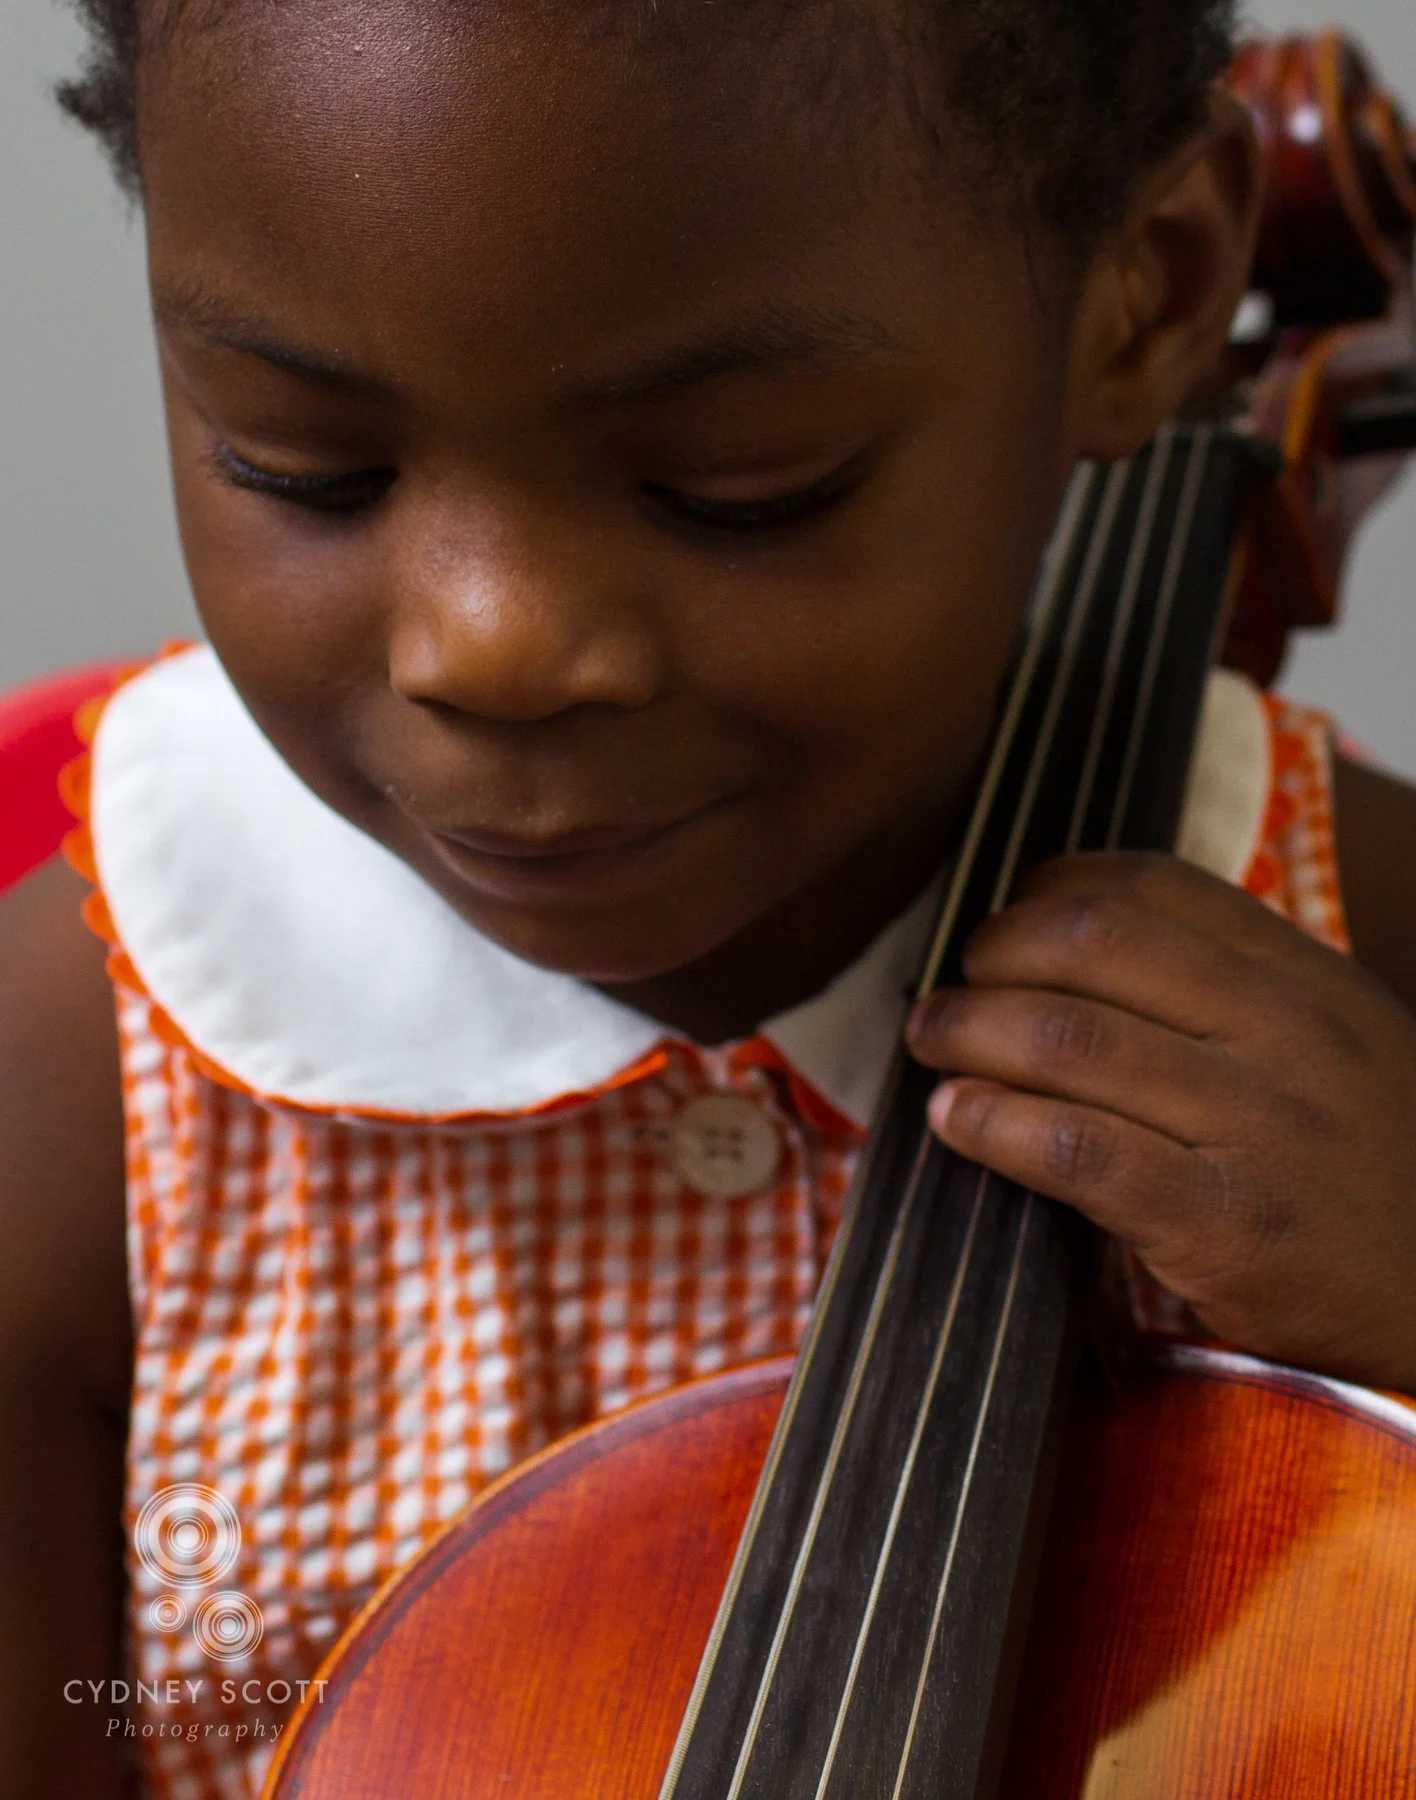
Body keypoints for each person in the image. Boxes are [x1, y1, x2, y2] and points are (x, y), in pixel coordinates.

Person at [5, 0, 1416, 1792]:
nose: (490, 647)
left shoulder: (1364, 958)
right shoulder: (68, 1121)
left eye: (737, 489)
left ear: (1141, 288)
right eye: (303, 464)